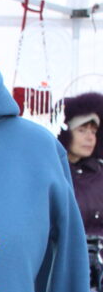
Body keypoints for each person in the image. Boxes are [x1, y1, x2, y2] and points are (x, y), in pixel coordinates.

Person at [58, 91, 103, 234]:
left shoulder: (99, 173)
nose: (90, 138)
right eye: (82, 130)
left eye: (93, 132)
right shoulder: (53, 173)